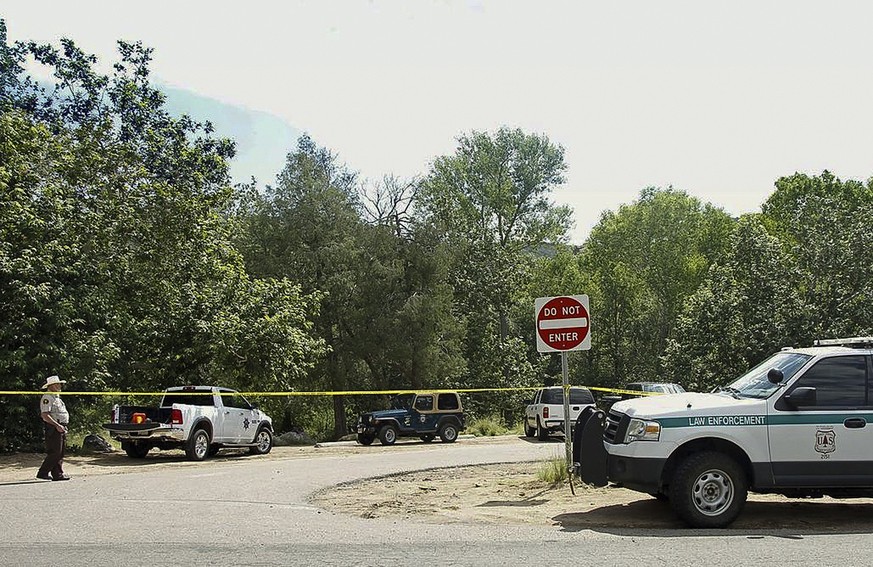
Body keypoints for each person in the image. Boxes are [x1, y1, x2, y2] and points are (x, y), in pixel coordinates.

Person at [37, 375, 71, 481]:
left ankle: (57, 474)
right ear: (51, 385)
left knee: (60, 452)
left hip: (60, 426)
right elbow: (45, 415)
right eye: (57, 384)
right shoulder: (47, 397)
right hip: (54, 427)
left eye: (60, 384)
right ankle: (43, 472)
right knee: (55, 451)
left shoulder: (56, 397)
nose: (59, 386)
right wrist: (57, 425)